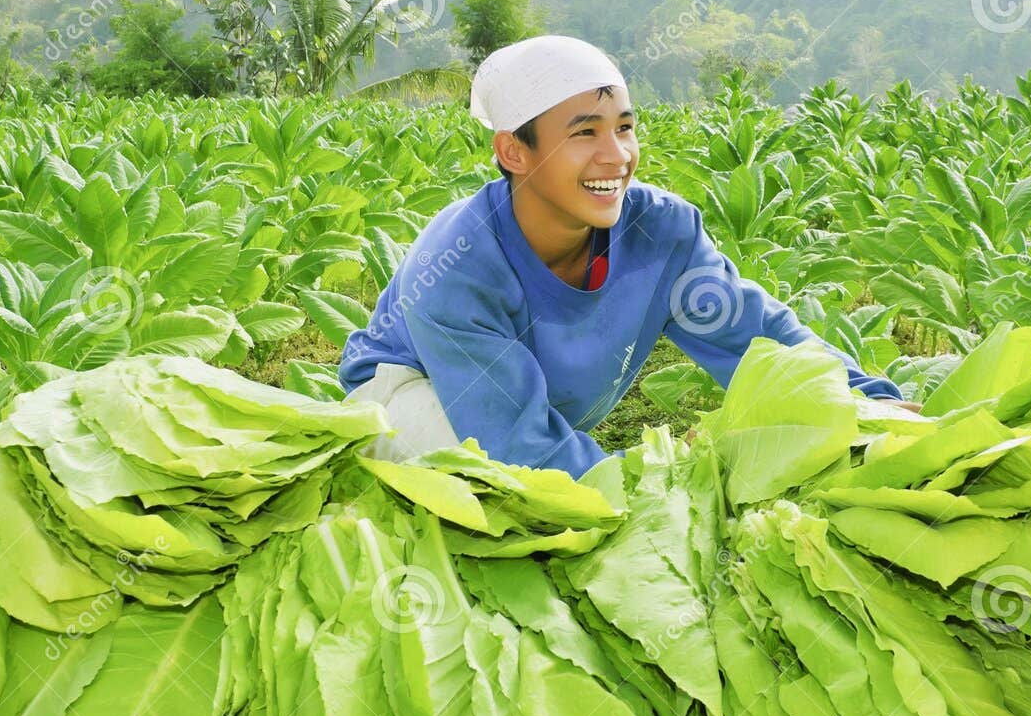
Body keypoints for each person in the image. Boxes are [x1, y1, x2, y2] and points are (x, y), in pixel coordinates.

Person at [338, 34, 909, 480]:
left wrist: (874, 407)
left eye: (625, 128)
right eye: (584, 133)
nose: (617, 156)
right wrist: (651, 488)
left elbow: (761, 340)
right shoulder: (457, 266)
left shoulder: (661, 230)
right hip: (410, 389)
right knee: (499, 489)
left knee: (571, 491)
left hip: (524, 407)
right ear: (514, 150)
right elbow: (510, 441)